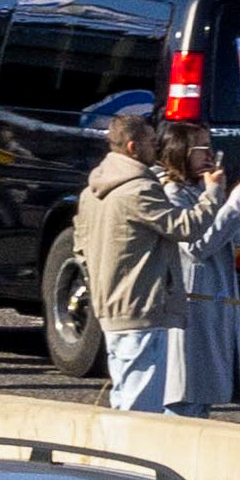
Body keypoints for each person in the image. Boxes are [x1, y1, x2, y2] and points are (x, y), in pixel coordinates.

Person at [80, 110, 212, 411]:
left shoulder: (92, 190)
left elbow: (80, 244)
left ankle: (110, 453)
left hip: (112, 304)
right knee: (140, 406)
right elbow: (185, 229)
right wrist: (213, 194)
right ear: (132, 148)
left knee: (126, 393)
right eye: (152, 142)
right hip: (141, 307)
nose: (158, 148)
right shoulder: (139, 189)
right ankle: (123, 456)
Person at [167, 131, 240, 414]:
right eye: (202, 148)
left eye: (211, 147)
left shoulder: (203, 189)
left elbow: (237, 236)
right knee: (186, 387)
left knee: (204, 390)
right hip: (192, 300)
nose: (210, 155)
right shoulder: (173, 193)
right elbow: (196, 245)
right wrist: (232, 203)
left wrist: (233, 202)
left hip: (215, 296)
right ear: (182, 150)